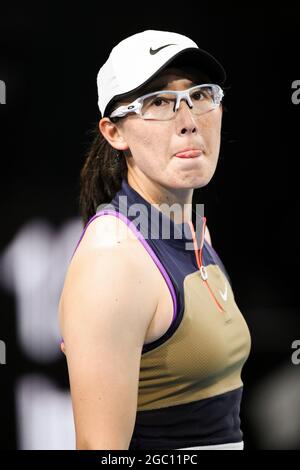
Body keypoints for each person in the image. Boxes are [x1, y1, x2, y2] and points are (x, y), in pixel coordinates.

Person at [58, 30, 251, 450]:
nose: (188, 121)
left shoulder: (191, 230)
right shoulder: (113, 259)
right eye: (158, 103)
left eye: (199, 95)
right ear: (114, 133)